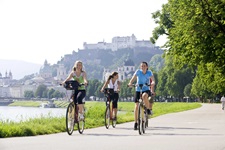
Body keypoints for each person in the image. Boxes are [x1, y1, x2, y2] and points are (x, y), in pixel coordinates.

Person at [128, 61, 155, 130]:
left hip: (146, 89)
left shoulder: (149, 72)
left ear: (147, 67)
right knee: (136, 106)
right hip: (138, 89)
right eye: (142, 66)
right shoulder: (138, 72)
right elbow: (133, 78)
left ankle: (148, 109)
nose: (143, 67)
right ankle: (136, 122)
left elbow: (153, 79)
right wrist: (130, 83)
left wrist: (153, 83)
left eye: (144, 66)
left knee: (144, 96)